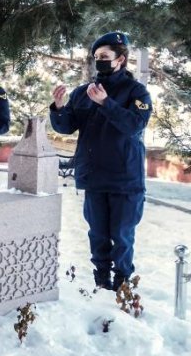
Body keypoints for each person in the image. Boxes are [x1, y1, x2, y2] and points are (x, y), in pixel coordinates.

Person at [50, 32, 152, 291]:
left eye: (105, 57)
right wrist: (59, 107)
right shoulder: (84, 92)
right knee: (97, 235)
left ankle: (122, 285)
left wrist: (106, 103)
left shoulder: (136, 92)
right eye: (96, 57)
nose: (100, 62)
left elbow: (134, 125)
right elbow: (66, 127)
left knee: (121, 236)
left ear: (121, 59)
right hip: (94, 176)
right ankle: (101, 282)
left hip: (125, 179)